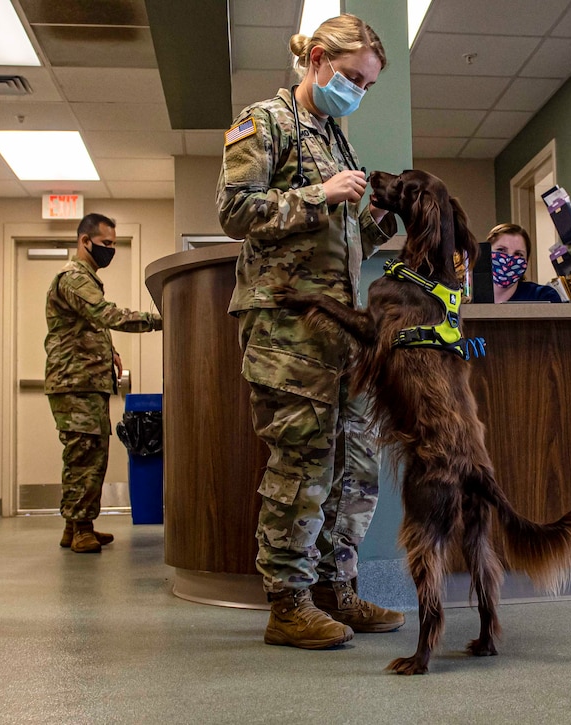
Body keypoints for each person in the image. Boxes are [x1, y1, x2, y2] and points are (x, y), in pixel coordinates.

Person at [216, 14, 405, 650]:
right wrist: (320, 194)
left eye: (367, 85)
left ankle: (337, 591)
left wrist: (383, 221)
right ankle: (288, 602)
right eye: (352, 77)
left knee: (356, 464)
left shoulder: (336, 138)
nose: (357, 91)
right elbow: (234, 209)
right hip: (287, 328)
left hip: (342, 333)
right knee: (301, 464)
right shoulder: (263, 122)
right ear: (318, 59)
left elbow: (342, 236)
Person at [44, 213, 163, 553]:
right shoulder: (74, 278)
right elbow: (106, 314)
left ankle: (76, 526)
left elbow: (84, 326)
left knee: (88, 452)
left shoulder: (85, 278)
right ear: (85, 241)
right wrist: (159, 319)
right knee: (85, 454)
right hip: (75, 382)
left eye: (113, 244)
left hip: (85, 380)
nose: (111, 250)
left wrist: (109, 351)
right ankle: (81, 526)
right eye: (106, 244)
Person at [488, 223, 563, 303]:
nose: (509, 259)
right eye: (501, 250)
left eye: (518, 254)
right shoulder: (473, 297)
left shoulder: (543, 296)